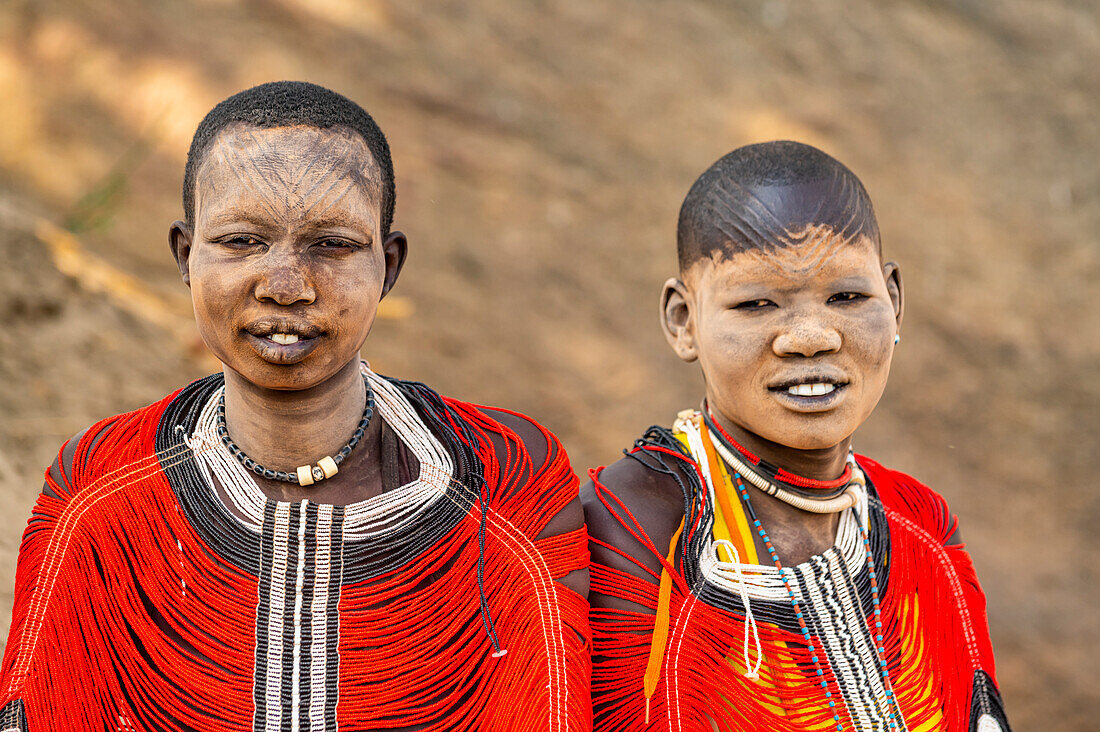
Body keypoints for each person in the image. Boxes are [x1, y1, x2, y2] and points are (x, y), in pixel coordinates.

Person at [0, 81, 590, 731]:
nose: (285, 286)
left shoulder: (502, 486)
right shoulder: (102, 492)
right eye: (240, 242)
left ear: (388, 266)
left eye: (332, 244)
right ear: (184, 256)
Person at [583, 141, 1009, 731]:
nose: (810, 336)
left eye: (847, 297)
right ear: (684, 322)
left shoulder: (920, 524)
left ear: (895, 300)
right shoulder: (633, 528)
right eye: (756, 303)